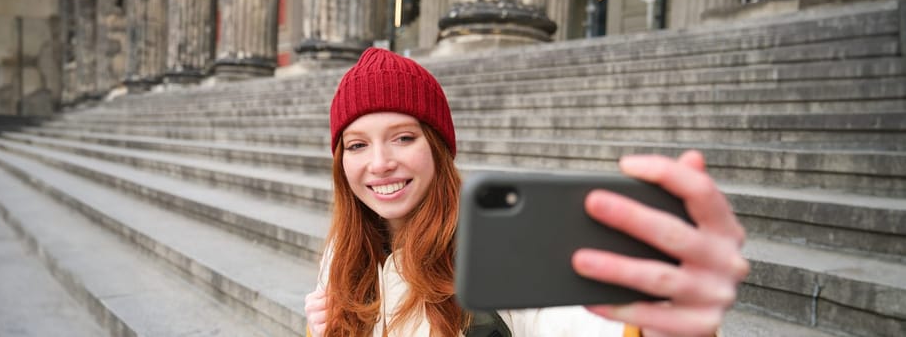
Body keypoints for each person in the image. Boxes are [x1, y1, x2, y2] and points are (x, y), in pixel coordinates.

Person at [304, 47, 749, 337]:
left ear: (438, 147)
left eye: (404, 137)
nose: (379, 162)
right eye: (357, 145)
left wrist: (661, 323)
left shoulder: (497, 250)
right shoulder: (343, 252)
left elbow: (581, 325)